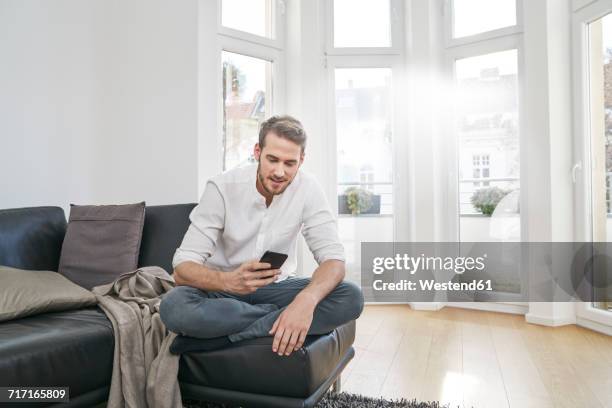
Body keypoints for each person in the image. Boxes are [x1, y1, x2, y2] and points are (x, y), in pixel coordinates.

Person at [160, 115, 364, 356]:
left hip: (276, 288)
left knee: (351, 296)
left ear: (301, 160)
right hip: (221, 290)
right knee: (174, 307)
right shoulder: (222, 188)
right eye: (272, 160)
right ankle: (276, 317)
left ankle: (223, 338)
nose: (279, 172)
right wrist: (228, 282)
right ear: (257, 152)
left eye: (290, 163)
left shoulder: (308, 188)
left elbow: (334, 261)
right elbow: (182, 267)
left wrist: (305, 301)